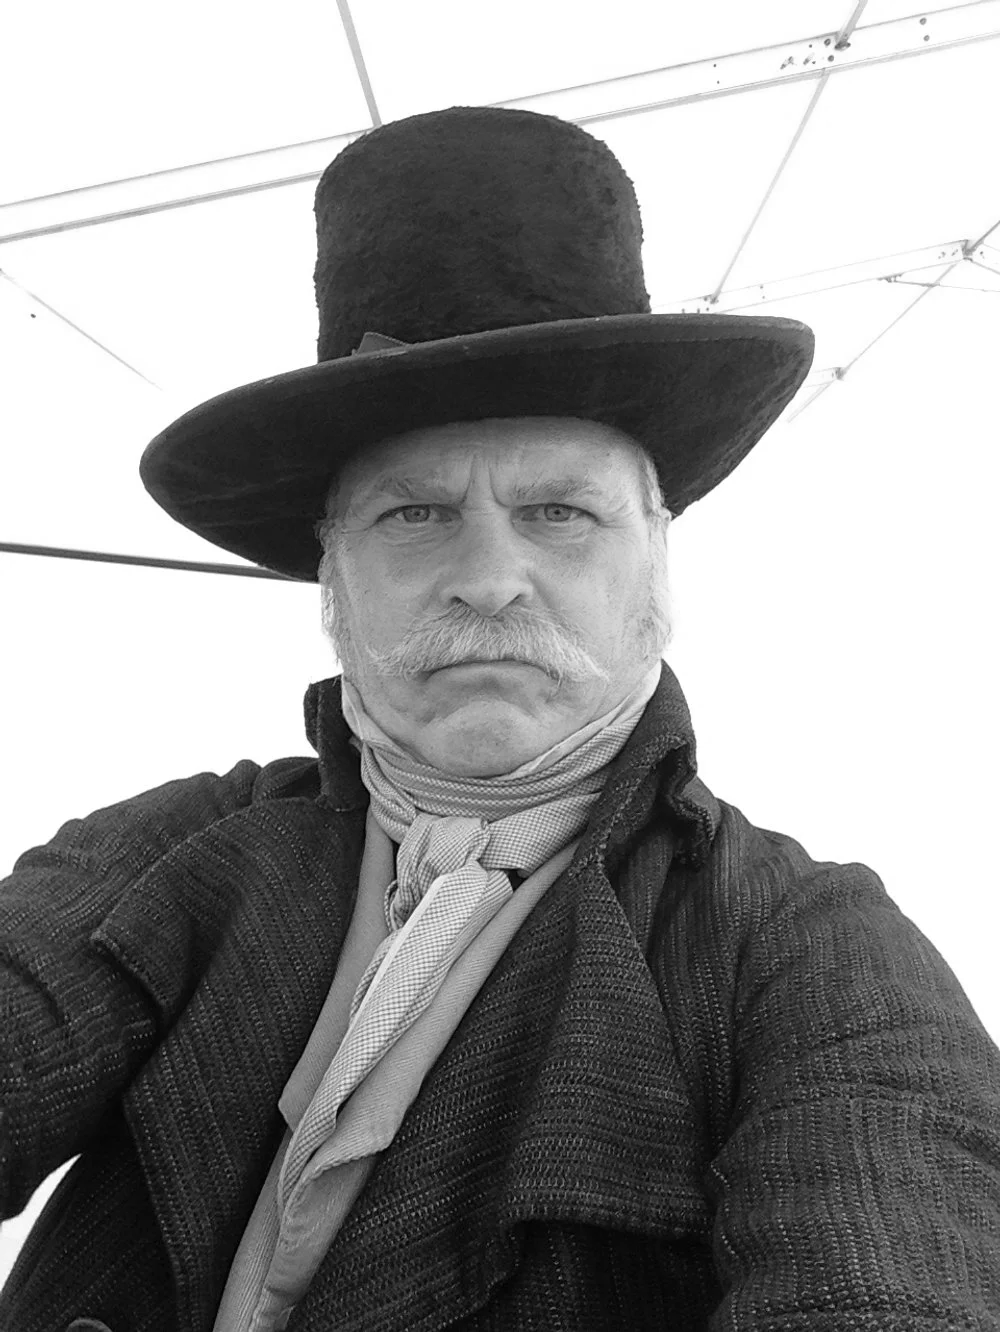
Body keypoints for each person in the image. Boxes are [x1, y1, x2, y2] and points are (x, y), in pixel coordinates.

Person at [1, 105, 998, 1332]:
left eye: (560, 514)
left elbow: (887, 1275)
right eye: (413, 516)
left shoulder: (802, 944)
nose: (487, 574)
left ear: (657, 579)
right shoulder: (173, 846)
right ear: (332, 590)